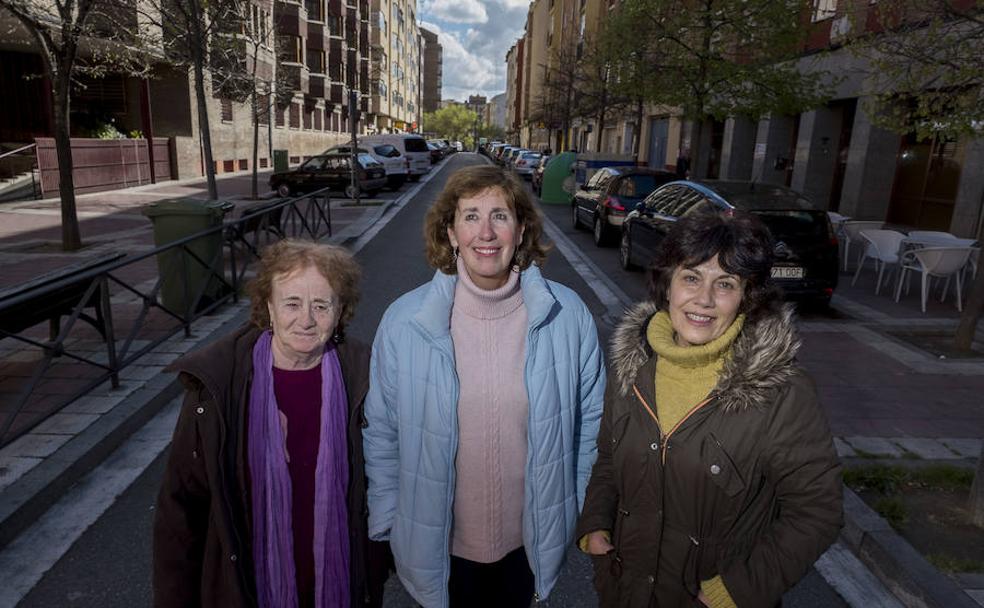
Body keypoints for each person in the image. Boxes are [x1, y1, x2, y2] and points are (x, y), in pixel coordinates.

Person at [363, 165, 606, 608]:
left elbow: (590, 426)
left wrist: (574, 509)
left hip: (527, 544)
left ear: (521, 230)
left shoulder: (568, 317)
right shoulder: (404, 321)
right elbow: (382, 429)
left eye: (500, 215)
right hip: (438, 545)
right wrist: (387, 519)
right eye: (471, 215)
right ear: (451, 233)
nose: (486, 232)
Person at [577, 212, 842, 608]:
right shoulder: (631, 367)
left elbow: (817, 511)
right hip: (624, 592)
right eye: (691, 277)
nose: (704, 299)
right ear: (667, 284)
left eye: (725, 284)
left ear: (747, 295)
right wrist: (596, 523)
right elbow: (610, 458)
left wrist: (736, 591)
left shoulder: (780, 392)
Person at [153, 239, 388, 608]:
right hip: (244, 589)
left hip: (341, 584)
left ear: (340, 310)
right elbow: (181, 511)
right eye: (292, 303)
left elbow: (389, 486)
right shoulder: (219, 386)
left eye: (321, 305)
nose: (306, 319)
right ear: (269, 307)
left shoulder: (368, 375)